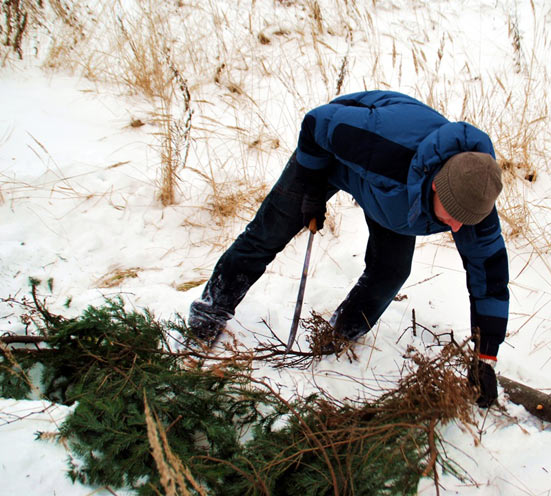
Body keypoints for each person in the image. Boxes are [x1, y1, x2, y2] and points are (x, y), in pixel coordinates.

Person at [188, 90, 508, 407]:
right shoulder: (384, 145)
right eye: (451, 216)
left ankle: (338, 336)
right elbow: (317, 124)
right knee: (266, 235)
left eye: (464, 222)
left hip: (392, 197)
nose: (455, 229)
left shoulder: (472, 201)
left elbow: (490, 278)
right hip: (331, 160)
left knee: (391, 270)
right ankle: (210, 311)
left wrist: (485, 357)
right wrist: (313, 189)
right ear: (436, 184)